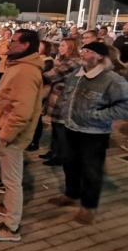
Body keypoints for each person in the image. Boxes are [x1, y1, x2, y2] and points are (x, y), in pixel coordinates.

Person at [50, 42, 128, 224]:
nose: (82, 53)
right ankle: (71, 194)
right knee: (69, 164)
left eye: (88, 51)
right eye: (83, 50)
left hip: (94, 133)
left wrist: (97, 115)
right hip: (70, 127)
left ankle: (88, 207)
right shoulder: (76, 75)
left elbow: (125, 106)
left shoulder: (112, 80)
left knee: (91, 171)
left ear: (100, 56)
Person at [0, 30, 43, 242]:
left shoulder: (25, 71)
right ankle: (7, 208)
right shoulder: (20, 66)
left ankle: (11, 227)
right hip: (8, 132)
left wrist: (5, 136)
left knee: (12, 182)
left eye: (14, 41)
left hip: (13, 136)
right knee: (10, 179)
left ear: (26, 45)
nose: (9, 44)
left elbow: (22, 112)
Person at [41, 38, 81, 166]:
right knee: (55, 126)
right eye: (60, 46)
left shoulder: (73, 62)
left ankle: (61, 156)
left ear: (71, 47)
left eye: (63, 46)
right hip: (57, 97)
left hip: (63, 98)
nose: (59, 48)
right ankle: (53, 151)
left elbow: (51, 75)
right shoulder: (64, 60)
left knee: (60, 129)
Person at [26, 40, 55, 152]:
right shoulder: (35, 58)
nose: (37, 47)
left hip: (40, 91)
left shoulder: (48, 61)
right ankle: (28, 138)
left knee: (36, 117)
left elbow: (43, 76)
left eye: (40, 46)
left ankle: (35, 141)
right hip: (31, 89)